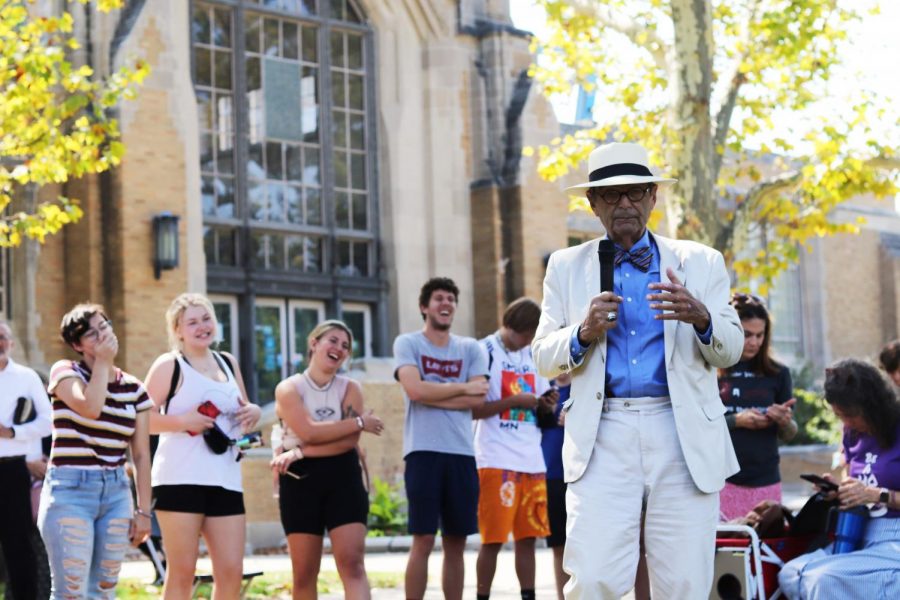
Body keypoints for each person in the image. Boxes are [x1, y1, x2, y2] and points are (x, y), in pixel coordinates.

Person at [531, 142, 744, 599]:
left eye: (635, 193)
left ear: (653, 197)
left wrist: (702, 318)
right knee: (595, 579)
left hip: (681, 429)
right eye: (611, 195)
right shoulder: (566, 266)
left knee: (684, 582)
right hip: (602, 431)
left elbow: (731, 349)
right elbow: (543, 356)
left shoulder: (700, 261)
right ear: (592, 204)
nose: (624, 203)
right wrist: (583, 332)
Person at [144, 293, 261, 599]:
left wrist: (255, 413)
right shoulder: (170, 365)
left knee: (231, 571)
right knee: (182, 573)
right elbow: (138, 419)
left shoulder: (228, 362)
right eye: (192, 322)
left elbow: (242, 412)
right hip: (180, 479)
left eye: (207, 318)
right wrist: (183, 421)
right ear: (178, 330)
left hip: (225, 479)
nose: (202, 326)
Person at [39, 304, 153, 598]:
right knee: (71, 591)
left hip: (116, 493)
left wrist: (143, 511)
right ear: (77, 345)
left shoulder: (135, 389)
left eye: (105, 326)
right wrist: (103, 362)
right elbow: (90, 407)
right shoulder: (65, 373)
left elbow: (140, 455)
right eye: (92, 333)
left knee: (103, 591)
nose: (102, 335)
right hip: (69, 491)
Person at [270, 319, 384, 599]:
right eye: (333, 341)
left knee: (353, 564)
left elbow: (348, 442)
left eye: (345, 346)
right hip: (300, 480)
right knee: (305, 573)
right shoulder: (289, 388)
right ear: (314, 343)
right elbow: (308, 430)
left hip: (342, 475)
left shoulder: (350, 388)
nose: (339, 348)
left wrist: (300, 451)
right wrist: (358, 421)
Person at [394, 277, 489, 600]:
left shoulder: (470, 348)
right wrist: (462, 387)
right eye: (438, 298)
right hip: (422, 452)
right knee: (422, 539)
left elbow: (478, 402)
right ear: (424, 307)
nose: (446, 303)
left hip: (462, 453)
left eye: (451, 299)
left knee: (457, 542)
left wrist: (430, 392)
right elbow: (414, 390)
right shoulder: (407, 343)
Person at [778, 359, 900, 599]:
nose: (846, 423)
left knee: (824, 580)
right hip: (859, 532)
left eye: (850, 416)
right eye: (839, 416)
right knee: (791, 574)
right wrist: (840, 491)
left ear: (872, 407)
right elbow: (856, 483)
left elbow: (872, 491)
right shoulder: (851, 434)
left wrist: (878, 495)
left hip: (894, 537)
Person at [472, 298, 555, 600]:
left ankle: (528, 595)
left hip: (532, 459)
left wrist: (546, 403)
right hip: (495, 458)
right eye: (526, 334)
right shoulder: (484, 351)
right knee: (492, 539)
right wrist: (514, 402)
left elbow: (545, 396)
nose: (529, 341)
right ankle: (483, 594)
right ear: (511, 325)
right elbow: (473, 409)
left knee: (528, 537)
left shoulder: (532, 354)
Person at [718, 292, 797, 520]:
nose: (754, 342)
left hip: (766, 479)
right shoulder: (712, 372)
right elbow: (697, 425)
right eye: (747, 335)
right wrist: (737, 420)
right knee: (729, 551)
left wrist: (784, 421)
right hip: (724, 480)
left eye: (760, 335)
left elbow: (790, 433)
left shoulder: (779, 373)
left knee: (765, 548)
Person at [0, 321, 52, 599]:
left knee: (18, 547)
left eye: (1, 337)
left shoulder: (27, 377)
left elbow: (48, 421)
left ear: (12, 343)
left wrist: (13, 432)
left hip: (12, 470)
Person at [538, 372, 571, 600]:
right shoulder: (543, 392)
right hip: (551, 476)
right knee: (559, 545)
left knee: (585, 544)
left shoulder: (584, 387)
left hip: (581, 474)